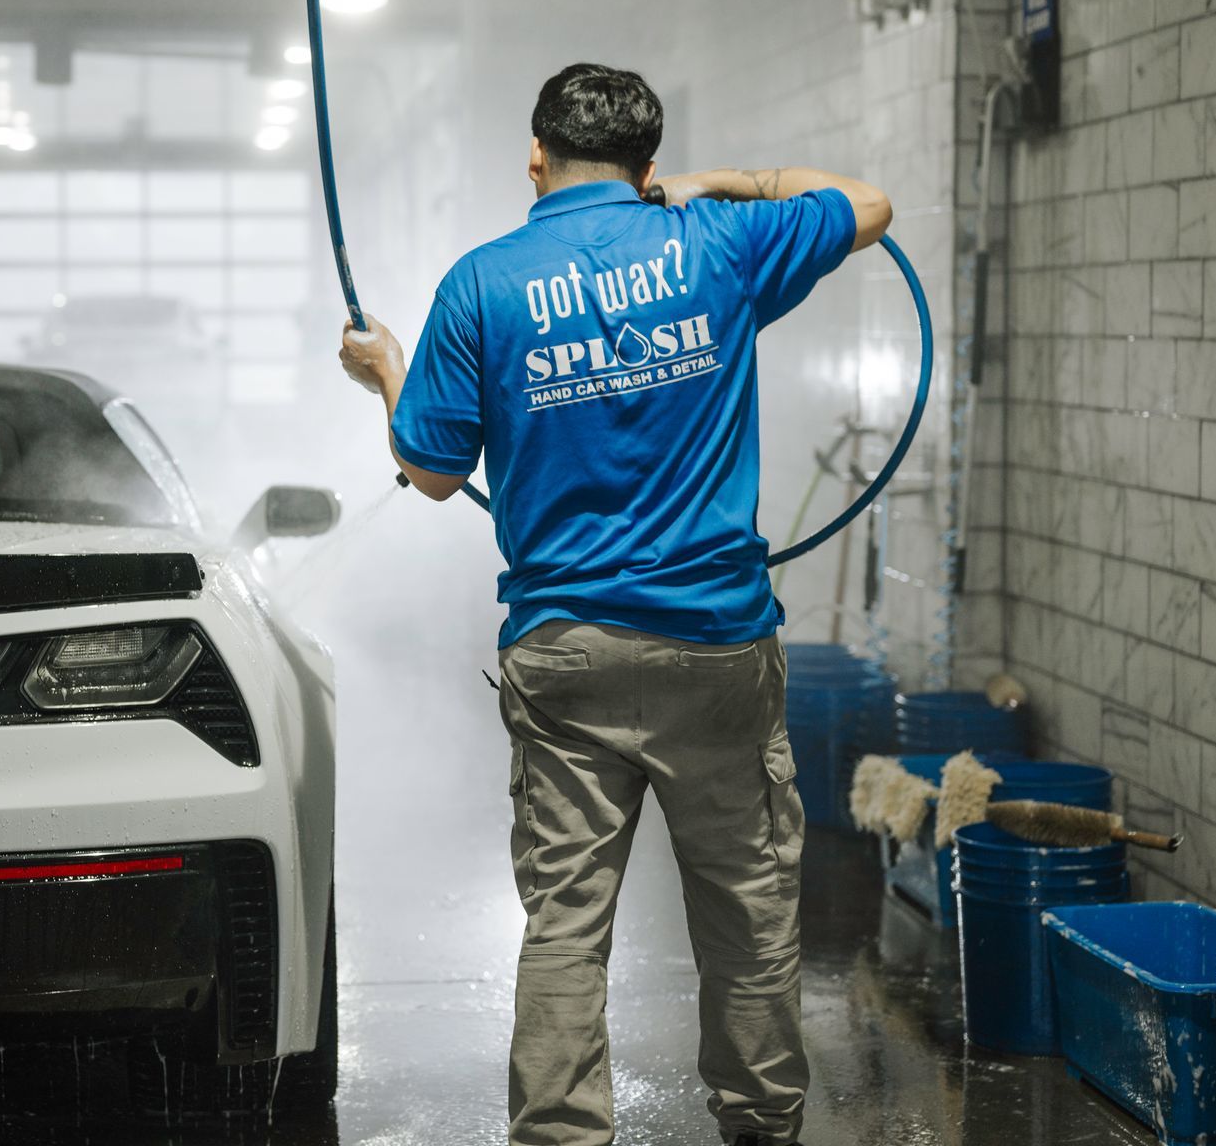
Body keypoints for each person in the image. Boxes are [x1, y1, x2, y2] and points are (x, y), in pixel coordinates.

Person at [337, 64, 891, 1146]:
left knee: (565, 924)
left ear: (534, 159)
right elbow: (870, 203)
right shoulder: (722, 245)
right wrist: (716, 183)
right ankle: (762, 1126)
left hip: (564, 649)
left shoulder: (484, 283)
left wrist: (388, 371)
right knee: (745, 915)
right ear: (646, 165)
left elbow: (435, 469)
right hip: (718, 646)